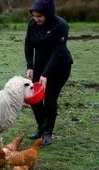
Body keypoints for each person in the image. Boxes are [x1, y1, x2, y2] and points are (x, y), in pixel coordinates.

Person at [24, 0, 73, 146]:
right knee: (34, 98)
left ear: (48, 13)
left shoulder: (61, 25)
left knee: (50, 98)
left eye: (39, 16)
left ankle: (48, 132)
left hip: (59, 67)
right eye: (34, 16)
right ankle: (41, 127)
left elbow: (58, 52)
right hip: (40, 65)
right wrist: (30, 66)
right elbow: (28, 44)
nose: (36, 19)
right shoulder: (33, 24)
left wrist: (45, 74)